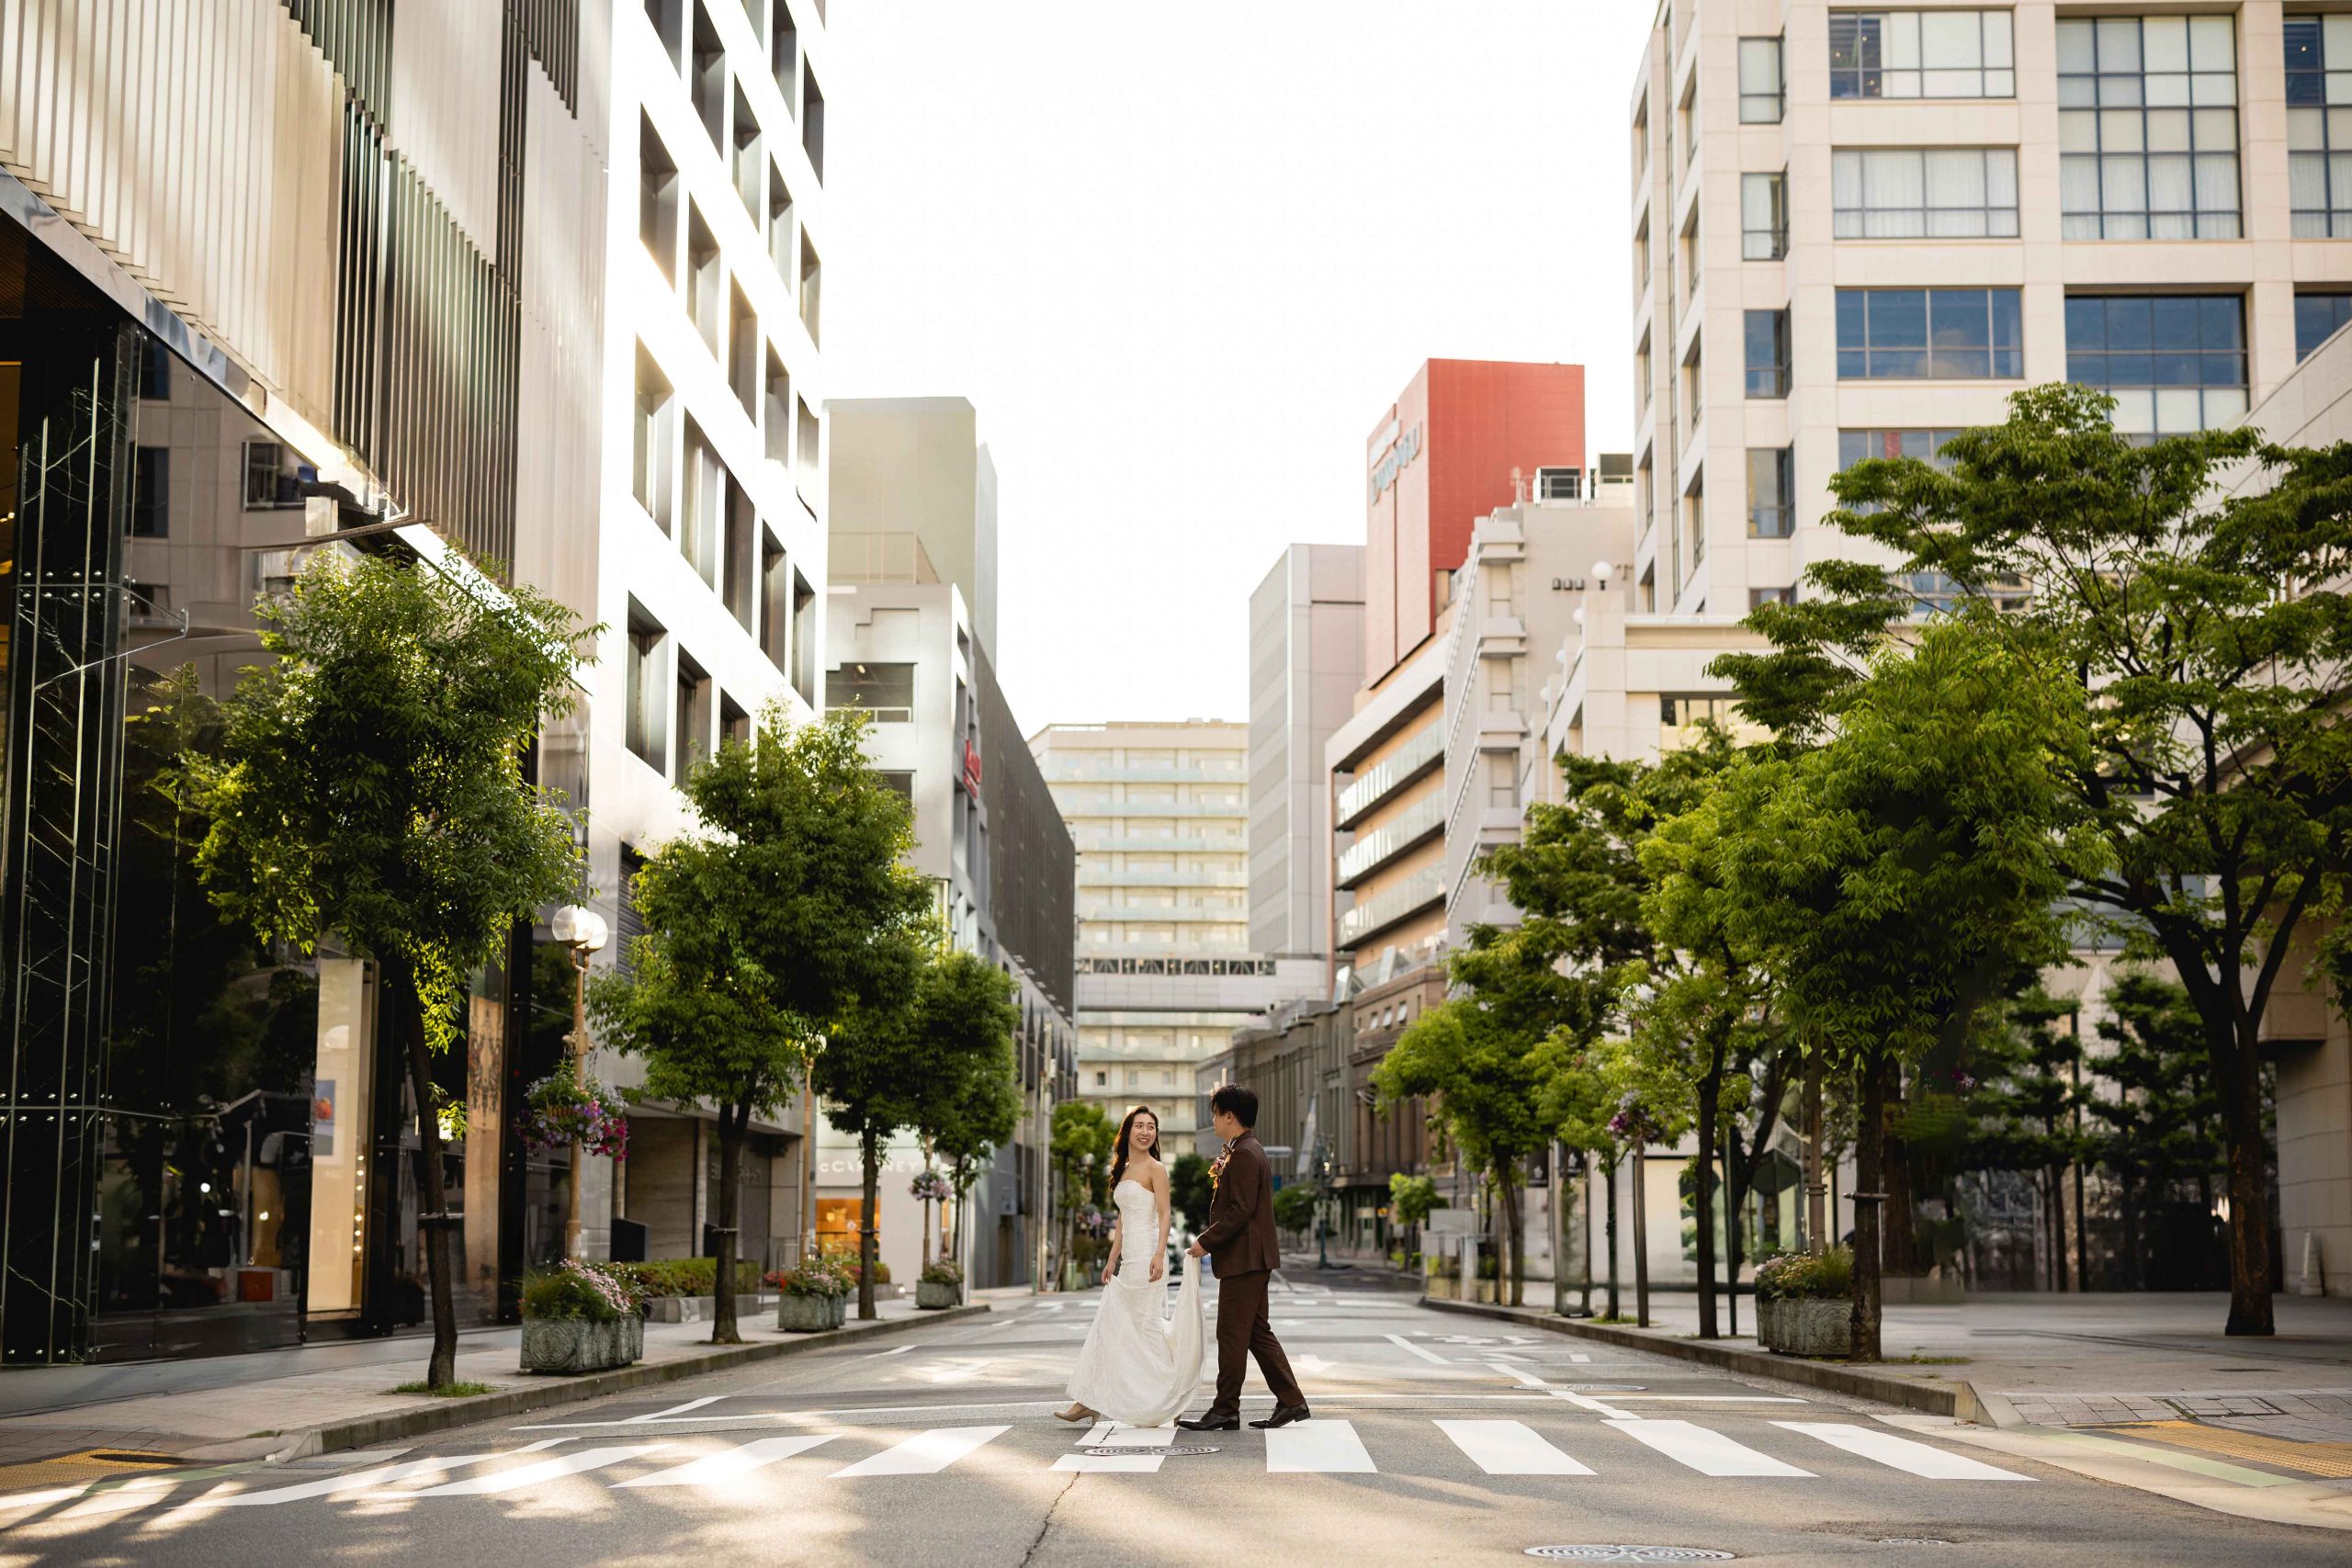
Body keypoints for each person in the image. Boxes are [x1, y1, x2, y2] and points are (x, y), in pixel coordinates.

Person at [1054, 1106, 1205, 1427]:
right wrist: (1112, 1259)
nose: (1146, 1132)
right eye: (1139, 1126)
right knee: (1113, 1325)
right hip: (1129, 1260)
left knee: (1146, 1328)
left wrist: (1159, 1253)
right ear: (1128, 1131)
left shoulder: (1156, 1169)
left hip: (1149, 1255)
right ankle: (1089, 1400)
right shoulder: (1121, 1169)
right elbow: (1122, 1220)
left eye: (1151, 1127)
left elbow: (1165, 1214)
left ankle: (1170, 1398)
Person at [1175, 1084, 1310, 1431]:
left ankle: (1225, 1409)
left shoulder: (1246, 1153)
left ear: (1229, 1115)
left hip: (1245, 1258)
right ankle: (1291, 1401)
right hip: (1250, 1257)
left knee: (1232, 1334)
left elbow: (1240, 1210)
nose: (1214, 1120)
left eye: (1216, 1113)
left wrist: (1207, 1241)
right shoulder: (1244, 1150)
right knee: (1255, 1332)